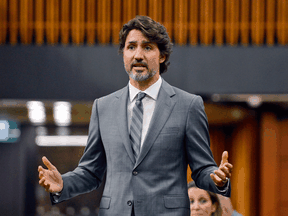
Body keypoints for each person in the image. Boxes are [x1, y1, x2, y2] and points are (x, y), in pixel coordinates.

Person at [38, 15, 233, 216]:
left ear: (162, 55)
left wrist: (216, 178)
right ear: (123, 54)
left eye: (147, 47)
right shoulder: (103, 107)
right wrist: (63, 184)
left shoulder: (188, 105)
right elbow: (90, 172)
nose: (138, 55)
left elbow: (202, 169)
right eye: (131, 47)